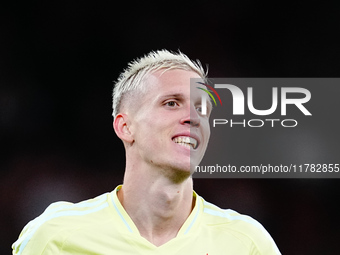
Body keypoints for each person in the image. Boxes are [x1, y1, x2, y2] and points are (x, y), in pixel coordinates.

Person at [12, 50, 281, 254]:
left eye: (202, 109)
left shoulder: (247, 243)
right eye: (172, 103)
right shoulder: (55, 238)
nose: (193, 118)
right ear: (125, 127)